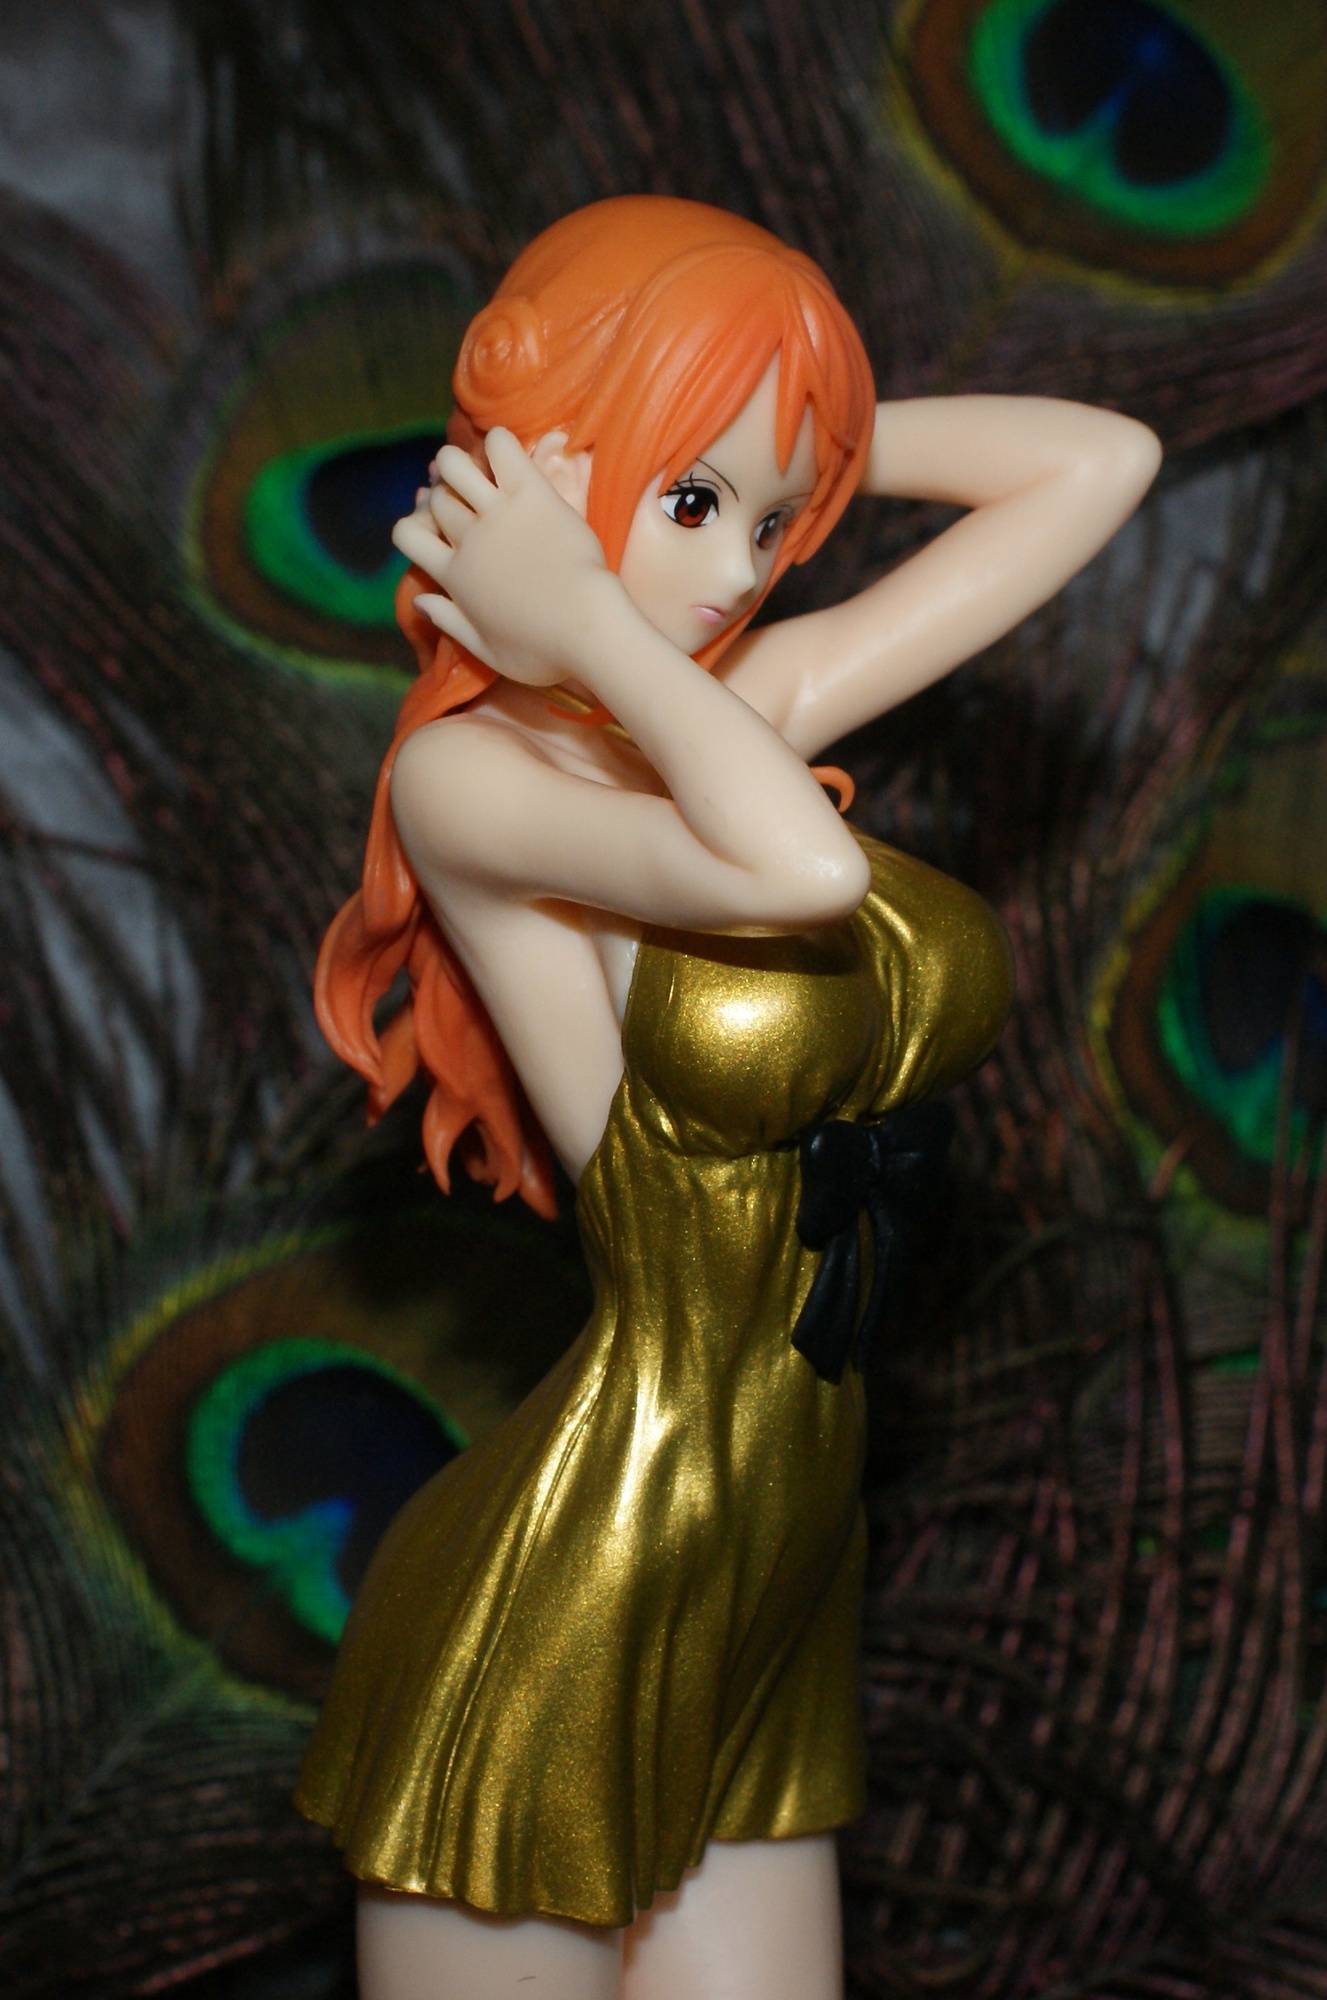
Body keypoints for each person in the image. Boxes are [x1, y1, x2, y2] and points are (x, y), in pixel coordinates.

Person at [295, 195, 1160, 2000]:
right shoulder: (474, 784)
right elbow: (805, 879)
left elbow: (1102, 463)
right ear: (549, 474)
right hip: (590, 1563)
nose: (734, 569)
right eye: (693, 503)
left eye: (769, 524)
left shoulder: (721, 704)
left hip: (778, 1558)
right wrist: (594, 619)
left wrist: (791, 430)